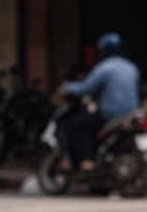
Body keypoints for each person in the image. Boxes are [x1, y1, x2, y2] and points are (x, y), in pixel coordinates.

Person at [59, 33, 140, 171]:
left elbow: (86, 87)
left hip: (109, 114)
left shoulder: (104, 68)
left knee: (73, 126)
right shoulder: (131, 67)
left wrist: (68, 87)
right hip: (131, 114)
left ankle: (86, 160)